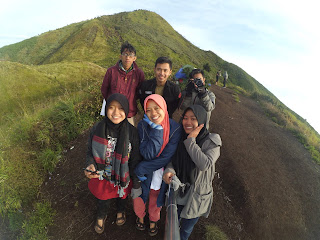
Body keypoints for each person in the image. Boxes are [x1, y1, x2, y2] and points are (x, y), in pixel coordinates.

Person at [84, 93, 141, 234]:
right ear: (106, 109)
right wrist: (90, 164)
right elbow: (90, 151)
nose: (116, 113)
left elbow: (134, 158)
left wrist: (136, 181)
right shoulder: (97, 128)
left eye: (121, 108)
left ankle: (121, 210)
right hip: (102, 175)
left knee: (122, 196)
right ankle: (102, 214)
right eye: (111, 108)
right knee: (103, 199)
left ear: (126, 111)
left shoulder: (132, 132)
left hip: (123, 175)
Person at [163, 105, 222, 240]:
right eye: (185, 118)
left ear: (201, 121)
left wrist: (190, 141)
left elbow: (204, 164)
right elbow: (174, 160)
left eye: (193, 118)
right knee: (173, 222)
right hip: (179, 190)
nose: (188, 122)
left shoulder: (212, 141)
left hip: (197, 196)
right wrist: (169, 170)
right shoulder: (179, 136)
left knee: (186, 230)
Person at [132, 94, 181, 236]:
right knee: (139, 198)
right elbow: (147, 154)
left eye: (157, 108)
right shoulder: (143, 125)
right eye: (148, 110)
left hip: (157, 173)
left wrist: (142, 168)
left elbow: (166, 158)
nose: (153, 113)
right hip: (145, 174)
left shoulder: (175, 128)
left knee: (155, 200)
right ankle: (140, 216)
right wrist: (157, 132)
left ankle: (153, 220)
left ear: (164, 108)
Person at [101, 41, 145, 126]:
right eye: (125, 54)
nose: (127, 57)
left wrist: (131, 100)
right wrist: (111, 104)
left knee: (128, 137)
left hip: (129, 113)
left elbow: (140, 92)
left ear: (134, 58)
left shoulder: (139, 74)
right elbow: (104, 90)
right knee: (110, 137)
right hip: (113, 113)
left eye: (130, 55)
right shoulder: (111, 71)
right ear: (120, 56)